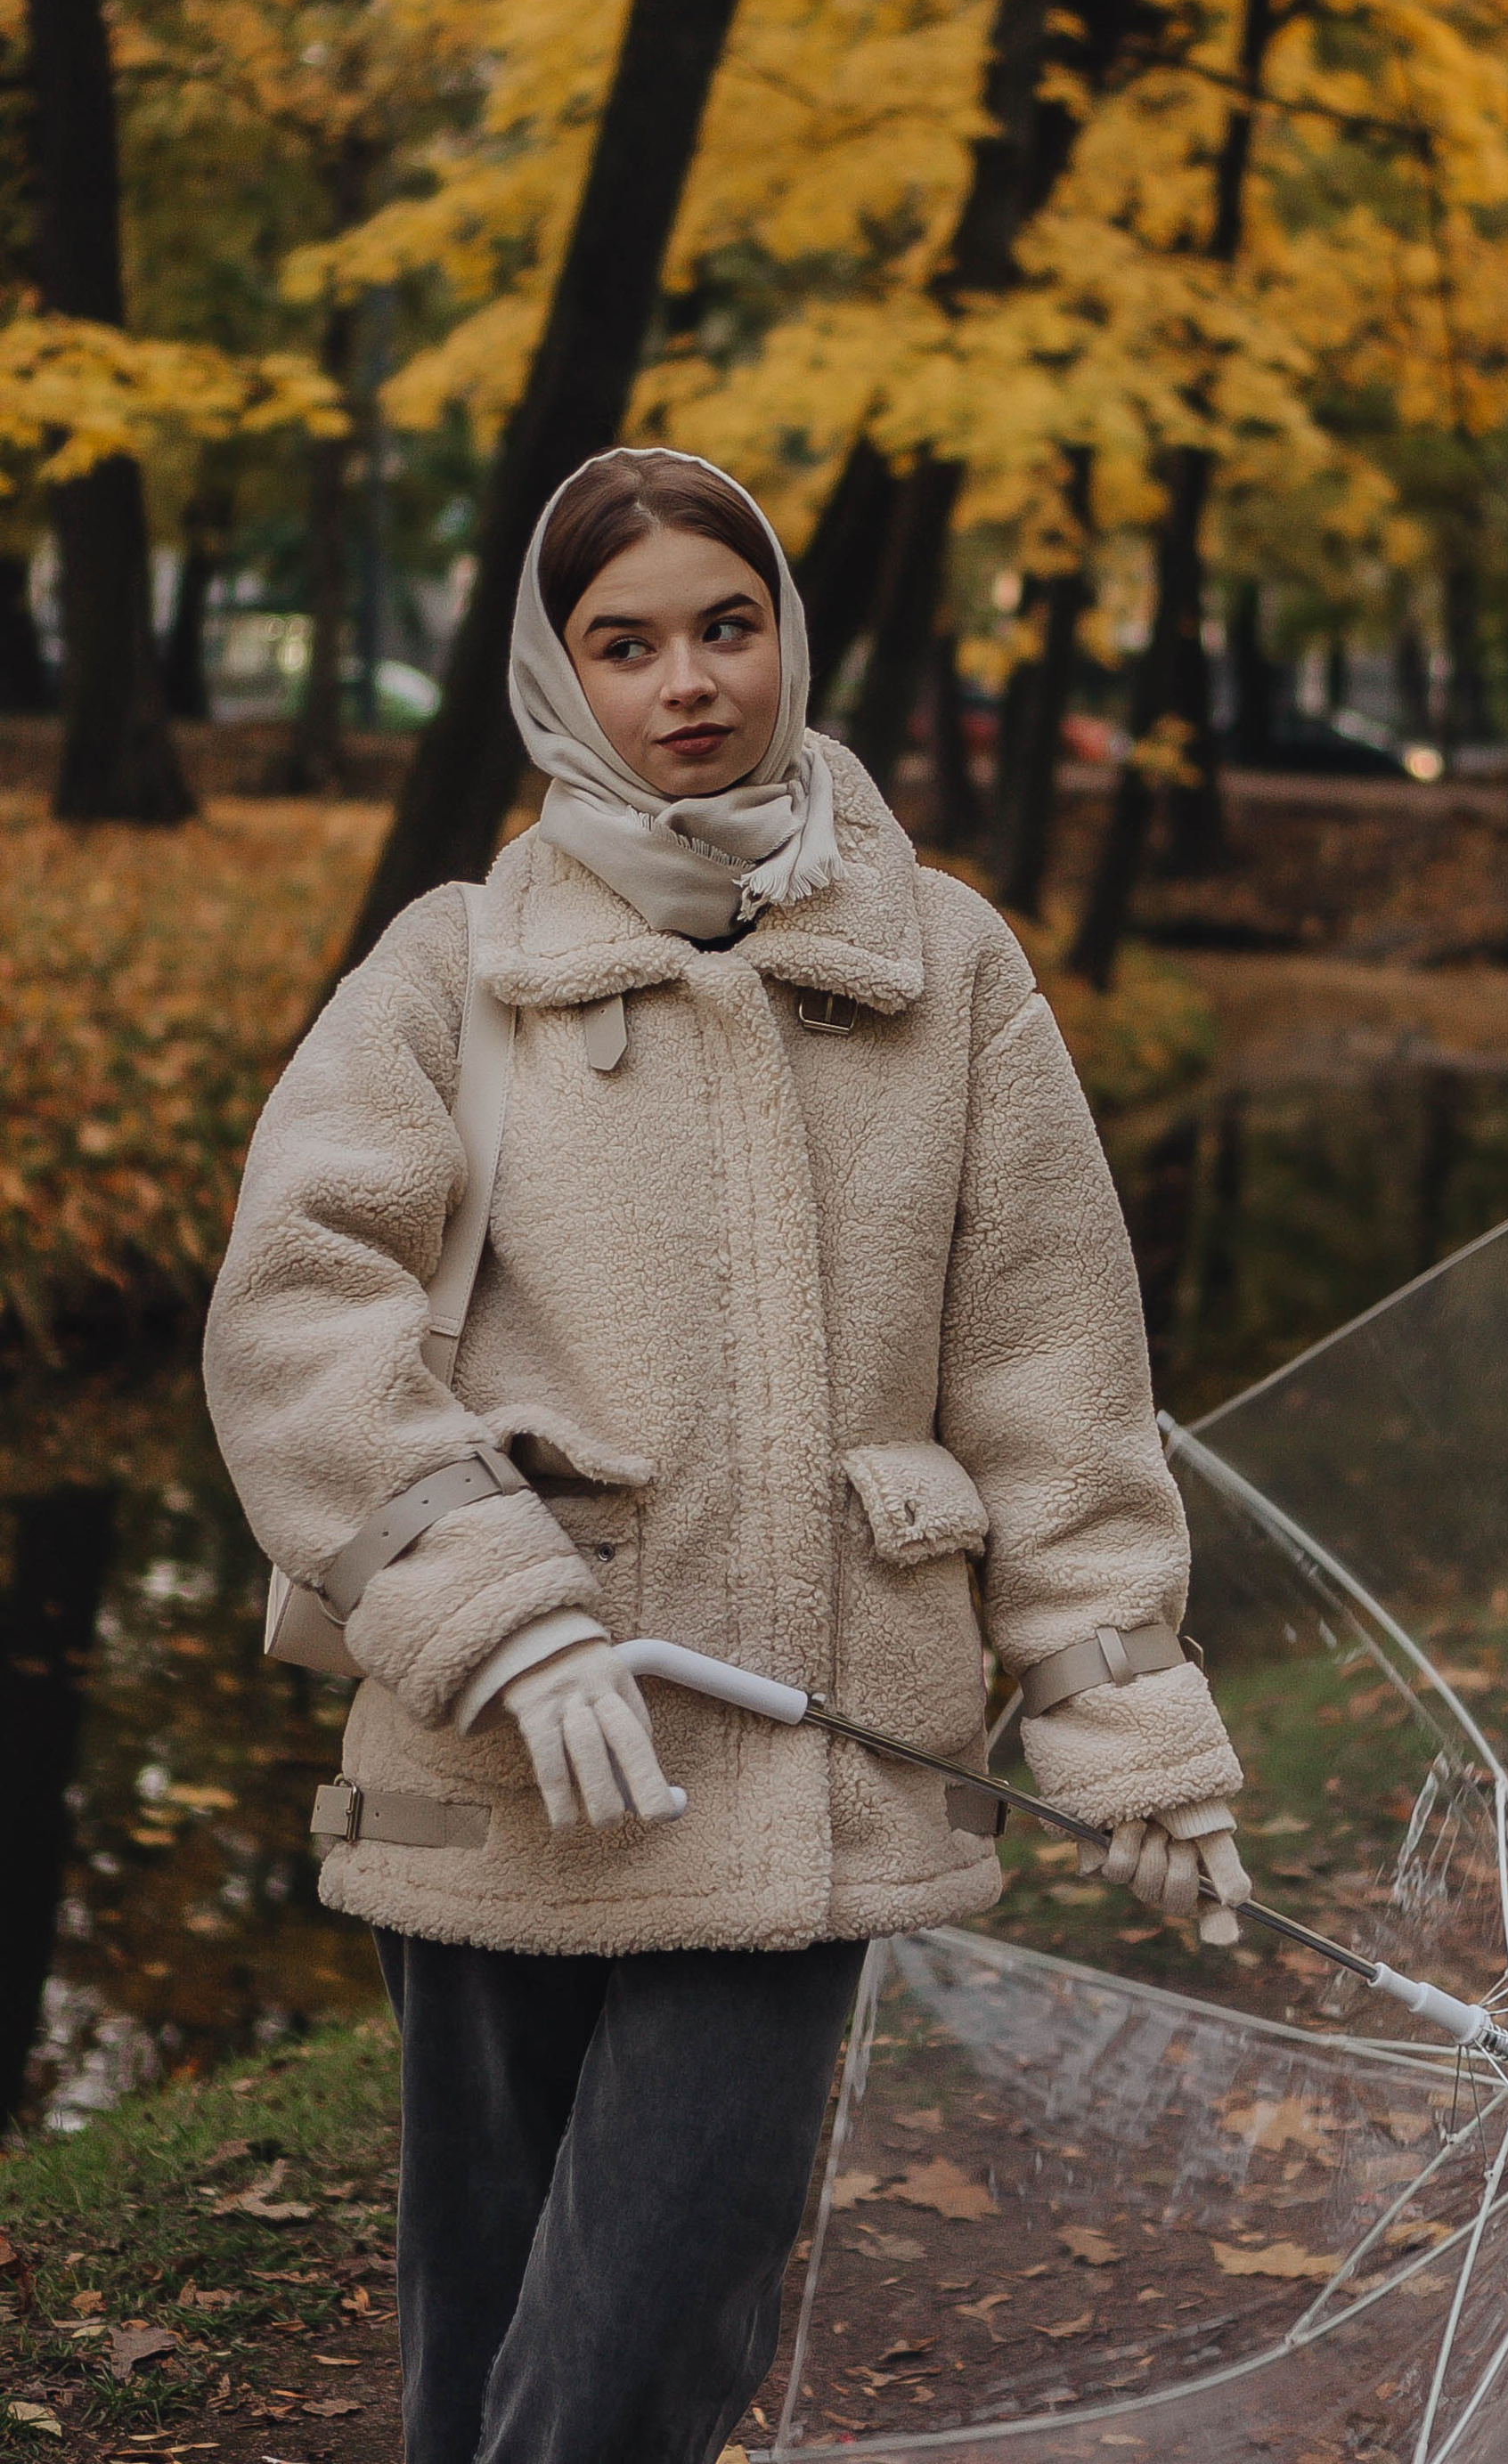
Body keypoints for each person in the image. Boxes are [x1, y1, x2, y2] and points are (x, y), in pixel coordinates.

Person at [204, 447, 1248, 2464]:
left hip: (808, 1769)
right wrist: (496, 1613)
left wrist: (1122, 1714)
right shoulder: (452, 963)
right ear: (549, 673)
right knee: (479, 2335)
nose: (685, 680)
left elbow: (1049, 1366)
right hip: (506, 1754)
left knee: (643, 2354)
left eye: (724, 624)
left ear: (786, 634)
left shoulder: (945, 965)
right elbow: (295, 1313)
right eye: (623, 642)